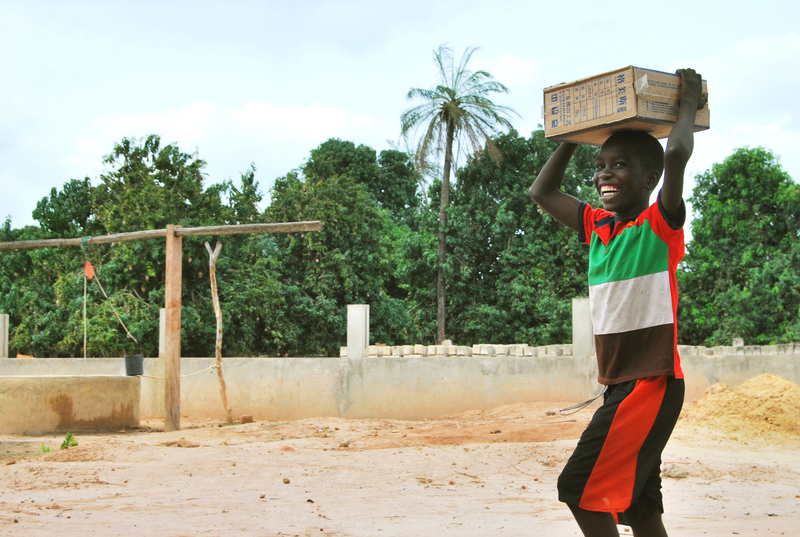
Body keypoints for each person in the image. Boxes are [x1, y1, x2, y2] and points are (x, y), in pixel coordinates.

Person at [528, 68, 707, 537]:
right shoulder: (597, 228)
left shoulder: (659, 225)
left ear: (651, 177)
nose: (605, 172)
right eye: (601, 164)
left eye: (620, 165)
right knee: (641, 511)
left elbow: (677, 152)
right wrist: (572, 136)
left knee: (577, 488)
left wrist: (686, 103)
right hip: (621, 385)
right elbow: (541, 192)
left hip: (648, 383)